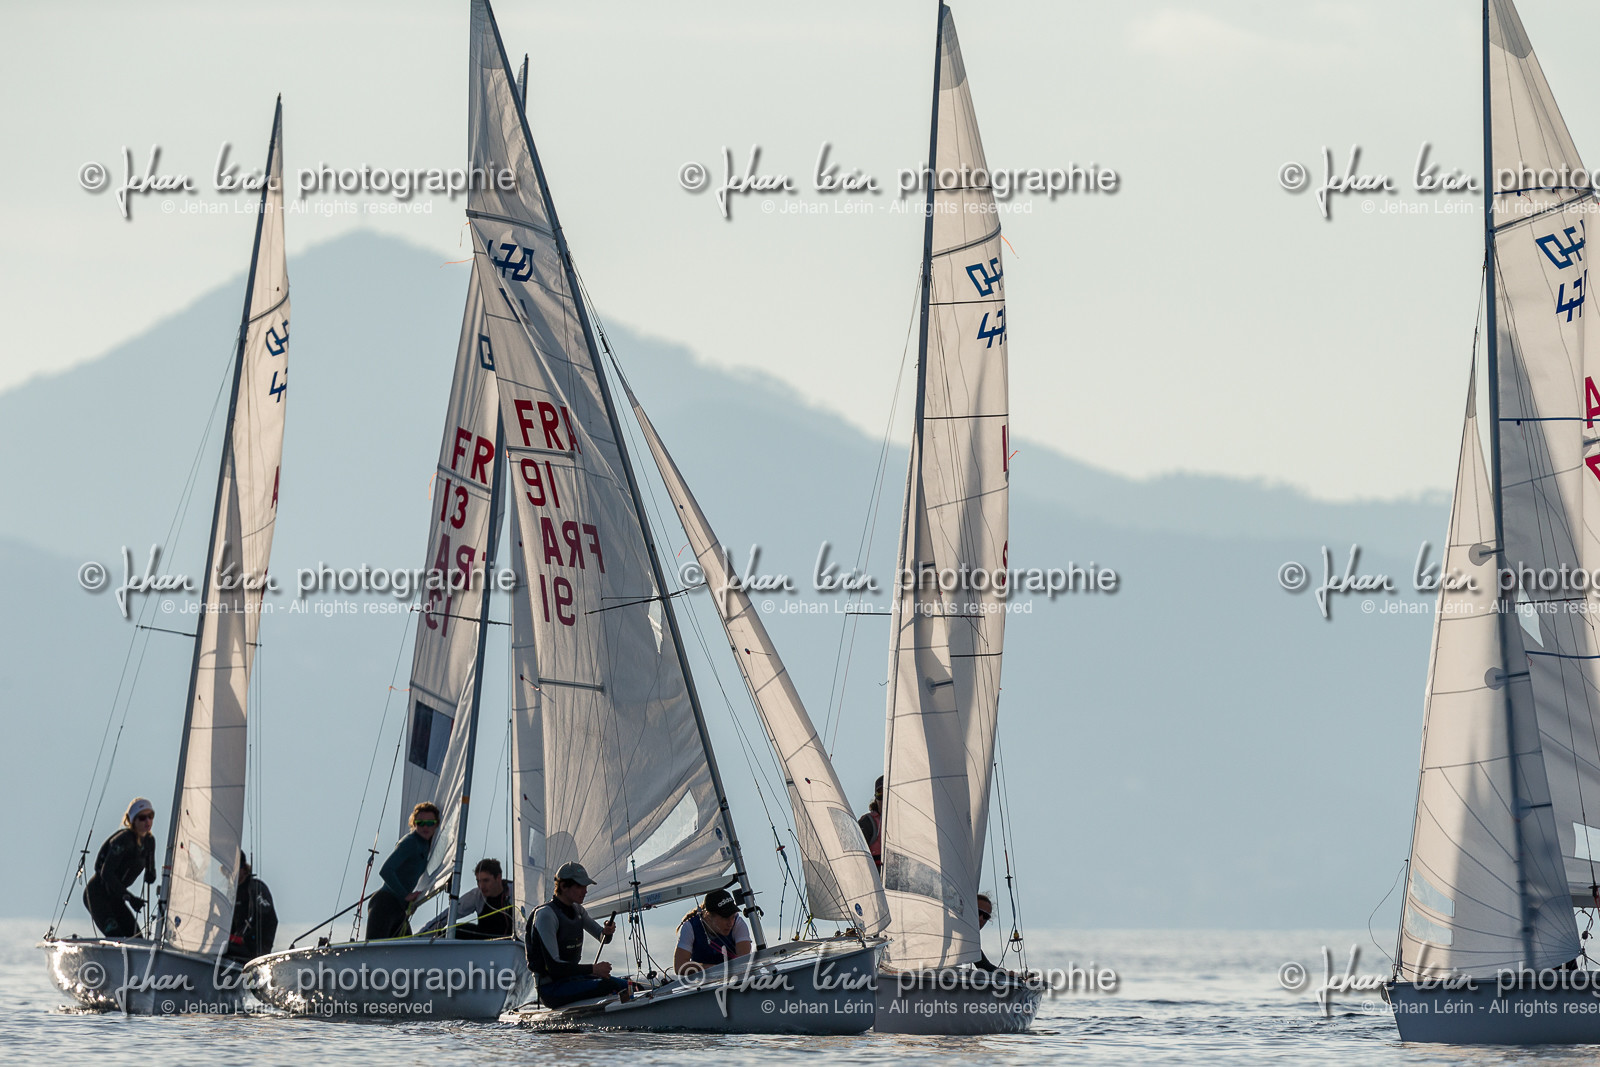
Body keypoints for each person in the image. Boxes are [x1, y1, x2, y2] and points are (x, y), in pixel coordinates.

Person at [526, 861, 627, 1008]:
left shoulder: (578, 910)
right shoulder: (546, 915)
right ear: (563, 886)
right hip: (551, 989)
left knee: (626, 984)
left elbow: (603, 938)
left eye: (585, 886)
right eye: (580, 886)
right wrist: (594, 969)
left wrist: (607, 932)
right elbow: (555, 967)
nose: (585, 891)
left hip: (573, 980)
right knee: (608, 985)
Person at [83, 797, 158, 938]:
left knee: (137, 938)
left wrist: (152, 874)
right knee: (116, 935)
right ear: (133, 821)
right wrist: (130, 898)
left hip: (116, 897)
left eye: (150, 816)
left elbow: (150, 873)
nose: (148, 821)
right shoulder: (123, 840)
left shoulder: (149, 841)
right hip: (97, 895)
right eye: (142, 818)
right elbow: (106, 873)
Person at [366, 802, 438, 940]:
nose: (425, 827)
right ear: (414, 824)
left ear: (436, 824)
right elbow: (386, 870)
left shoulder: (426, 844)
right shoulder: (410, 842)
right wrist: (405, 895)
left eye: (430, 822)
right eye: (420, 822)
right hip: (384, 904)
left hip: (398, 908)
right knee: (374, 951)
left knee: (407, 953)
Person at [419, 858, 516, 940]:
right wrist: (420, 937)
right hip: (485, 941)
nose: (481, 886)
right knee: (452, 931)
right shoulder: (476, 895)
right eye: (478, 881)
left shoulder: (516, 892)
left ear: (498, 878)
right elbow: (448, 915)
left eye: (486, 880)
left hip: (512, 943)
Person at [673, 888, 753, 975]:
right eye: (725, 917)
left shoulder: (738, 924)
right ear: (709, 916)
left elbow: (744, 961)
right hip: (702, 982)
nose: (730, 923)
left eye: (733, 916)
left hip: (735, 978)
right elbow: (679, 967)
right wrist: (708, 968)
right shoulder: (690, 927)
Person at [226, 853, 278, 961]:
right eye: (229, 867)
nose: (232, 871)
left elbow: (269, 919)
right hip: (233, 948)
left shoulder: (256, 888)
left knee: (222, 950)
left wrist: (247, 939)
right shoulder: (229, 893)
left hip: (252, 952)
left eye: (236, 867)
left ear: (244, 869)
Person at [858, 776, 883, 869]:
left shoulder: (904, 824)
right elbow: (858, 855)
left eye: (887, 793)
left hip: (901, 877)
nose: (884, 799)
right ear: (875, 798)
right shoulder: (868, 822)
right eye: (880, 794)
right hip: (876, 876)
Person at [972, 892, 1001, 972]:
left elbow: (985, 966)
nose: (981, 918)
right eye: (978, 912)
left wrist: (1006, 973)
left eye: (985, 916)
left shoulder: (969, 940)